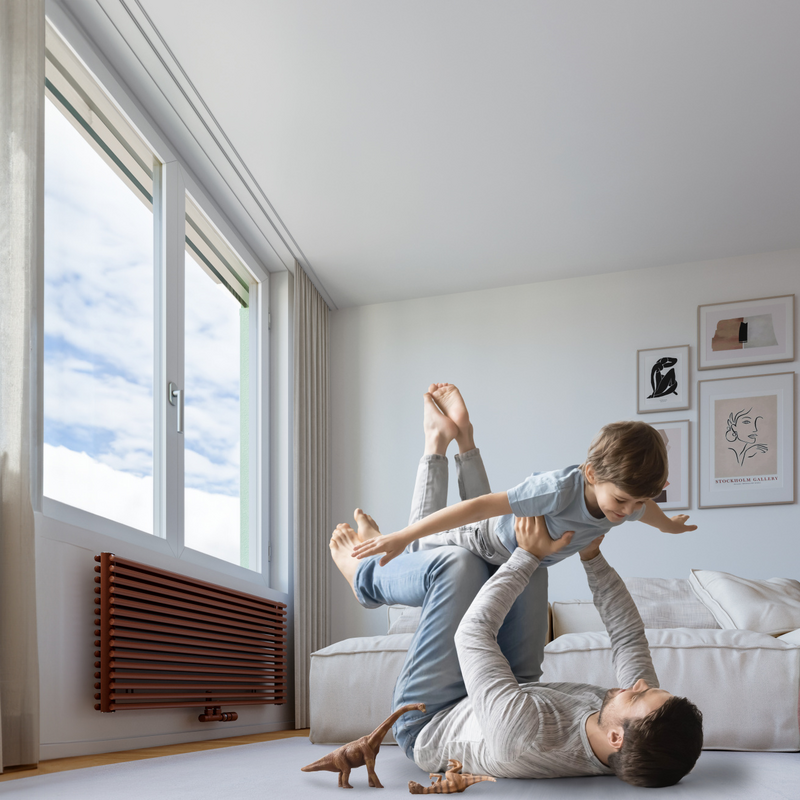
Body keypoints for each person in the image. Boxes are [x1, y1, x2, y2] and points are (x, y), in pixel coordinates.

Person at [329, 417, 704, 787]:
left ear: (617, 739)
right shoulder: (637, 730)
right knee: (518, 561)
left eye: (638, 696)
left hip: (432, 717)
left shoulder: (524, 737)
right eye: (649, 688)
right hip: (515, 689)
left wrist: (527, 555)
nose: (636, 685)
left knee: (462, 565)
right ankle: (445, 460)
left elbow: (472, 634)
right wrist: (592, 558)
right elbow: (627, 634)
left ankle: (364, 577)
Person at [352, 384, 697, 568]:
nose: (627, 511)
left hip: (503, 541)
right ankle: (436, 441)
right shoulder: (559, 490)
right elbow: (481, 508)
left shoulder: (628, 501)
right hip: (483, 539)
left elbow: (645, 511)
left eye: (637, 501)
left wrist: (668, 525)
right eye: (622, 500)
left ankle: (463, 434)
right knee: (414, 552)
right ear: (591, 474)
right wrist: (403, 535)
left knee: (494, 518)